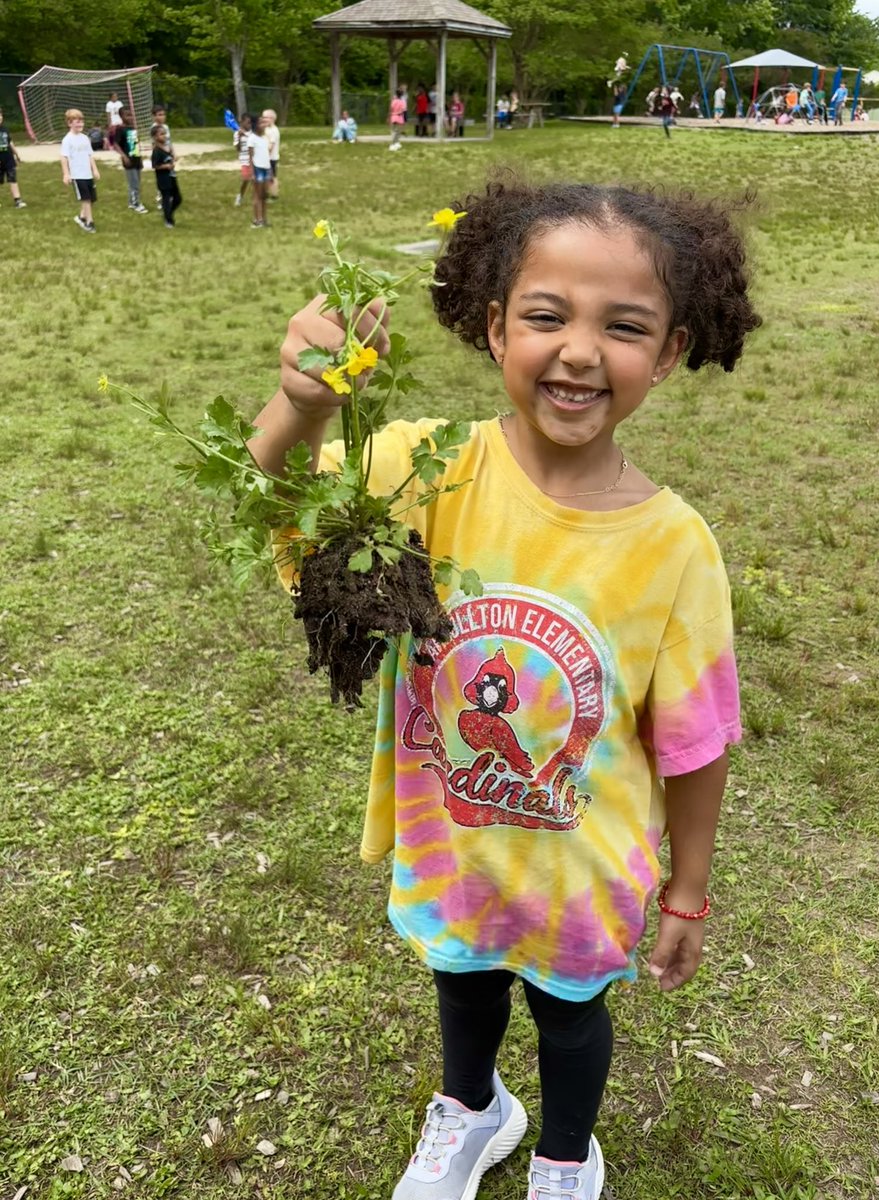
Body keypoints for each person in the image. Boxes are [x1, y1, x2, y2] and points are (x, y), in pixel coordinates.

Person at [250, 178, 758, 1200]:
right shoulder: (420, 470)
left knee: (572, 1015)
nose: (578, 349)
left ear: (666, 353)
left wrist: (690, 888)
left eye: (623, 327)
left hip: (584, 858)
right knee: (464, 981)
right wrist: (300, 410)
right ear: (493, 328)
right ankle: (474, 1110)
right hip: (456, 836)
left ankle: (568, 1157)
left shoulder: (676, 547)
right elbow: (290, 524)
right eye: (545, 316)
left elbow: (695, 741)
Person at [61, 108, 100, 232]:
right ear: (69, 123)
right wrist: (66, 174)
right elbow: (64, 158)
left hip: (87, 174)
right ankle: (89, 222)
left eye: (81, 121)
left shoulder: (85, 138)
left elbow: (90, 155)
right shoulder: (67, 140)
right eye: (76, 122)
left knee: (92, 199)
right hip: (77, 175)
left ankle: (81, 217)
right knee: (86, 199)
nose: (80, 124)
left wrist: (95, 170)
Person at [113, 110, 147, 213]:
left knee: (136, 182)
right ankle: (135, 203)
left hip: (136, 158)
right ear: (121, 116)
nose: (130, 117)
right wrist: (124, 156)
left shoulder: (132, 128)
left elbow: (135, 144)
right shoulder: (120, 129)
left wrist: (140, 157)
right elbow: (115, 144)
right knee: (134, 183)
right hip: (129, 160)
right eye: (127, 115)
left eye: (132, 115)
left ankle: (131, 201)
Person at [151, 123, 180, 228]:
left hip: (172, 176)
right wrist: (166, 166)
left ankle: (167, 213)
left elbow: (172, 157)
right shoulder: (157, 151)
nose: (164, 136)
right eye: (161, 134)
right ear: (155, 137)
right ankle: (169, 220)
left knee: (178, 198)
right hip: (163, 179)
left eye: (165, 133)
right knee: (166, 198)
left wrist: (174, 158)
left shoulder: (167, 147)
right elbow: (155, 165)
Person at [0, 107, 26, 208]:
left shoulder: (5, 129)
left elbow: (10, 142)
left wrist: (17, 154)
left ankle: (17, 200)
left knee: (12, 179)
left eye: (1, 115)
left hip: (8, 159)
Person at [247, 114, 271, 227]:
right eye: (261, 123)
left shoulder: (264, 138)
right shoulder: (252, 138)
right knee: (257, 195)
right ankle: (257, 220)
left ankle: (264, 219)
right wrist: (252, 172)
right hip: (257, 169)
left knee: (264, 195)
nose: (264, 125)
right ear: (255, 125)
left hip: (266, 168)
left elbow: (266, 155)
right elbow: (250, 156)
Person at [150, 104, 172, 209]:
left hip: (168, 154)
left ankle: (169, 197)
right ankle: (161, 200)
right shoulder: (154, 128)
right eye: (159, 115)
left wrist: (173, 153)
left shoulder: (166, 127)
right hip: (161, 156)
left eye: (163, 114)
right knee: (161, 180)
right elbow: (155, 145)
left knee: (170, 177)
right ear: (154, 116)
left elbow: (169, 142)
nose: (162, 117)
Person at [233, 112, 252, 207]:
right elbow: (238, 149)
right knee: (246, 179)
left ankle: (259, 197)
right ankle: (240, 196)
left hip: (254, 159)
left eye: (250, 122)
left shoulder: (253, 132)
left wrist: (246, 135)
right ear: (242, 122)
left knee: (256, 180)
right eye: (248, 122)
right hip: (244, 160)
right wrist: (240, 138)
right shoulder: (237, 134)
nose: (250, 124)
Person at [262, 108, 281, 198]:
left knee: (272, 177)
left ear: (272, 119)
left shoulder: (274, 130)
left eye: (265, 117)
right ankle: (265, 193)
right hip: (266, 158)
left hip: (271, 158)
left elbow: (271, 146)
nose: (263, 119)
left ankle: (274, 195)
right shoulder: (266, 129)